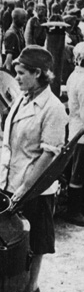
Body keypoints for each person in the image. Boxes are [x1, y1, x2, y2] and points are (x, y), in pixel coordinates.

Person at [0, 45, 68, 292]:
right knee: (12, 238)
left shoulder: (53, 109)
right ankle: (15, 286)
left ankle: (30, 289)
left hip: (34, 188)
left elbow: (48, 156)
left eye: (21, 73)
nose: (16, 78)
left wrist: (25, 188)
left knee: (35, 242)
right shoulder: (22, 98)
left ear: (38, 73)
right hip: (9, 182)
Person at [63, 42, 84, 226]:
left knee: (76, 171)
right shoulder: (83, 81)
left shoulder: (73, 76)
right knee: (78, 174)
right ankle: (74, 210)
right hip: (81, 135)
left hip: (74, 129)